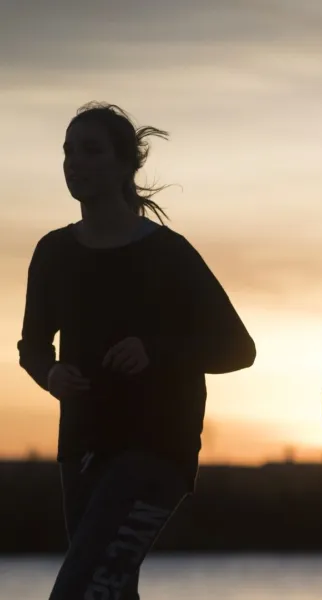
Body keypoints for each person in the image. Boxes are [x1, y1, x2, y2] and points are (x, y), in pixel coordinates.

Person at [17, 102, 257, 600]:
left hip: (156, 450)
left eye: (90, 150)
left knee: (79, 592)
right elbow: (33, 347)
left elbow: (239, 348)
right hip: (81, 446)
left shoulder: (169, 253)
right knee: (110, 591)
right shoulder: (53, 252)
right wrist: (50, 374)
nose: (73, 162)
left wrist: (155, 351)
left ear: (126, 164)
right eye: (67, 151)